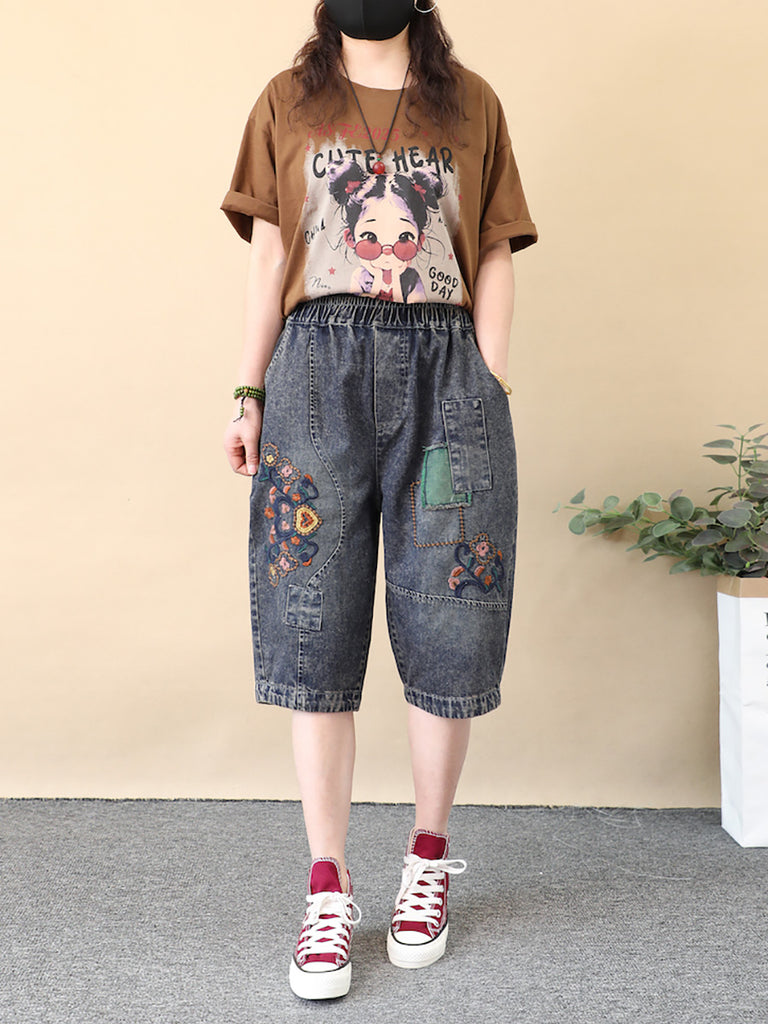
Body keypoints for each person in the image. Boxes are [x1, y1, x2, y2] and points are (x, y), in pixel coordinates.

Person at [220, 0, 537, 1001]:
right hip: (314, 375)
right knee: (311, 617)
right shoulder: (286, 101)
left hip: (448, 378)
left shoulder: (472, 103)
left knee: (450, 614)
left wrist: (488, 379)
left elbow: (494, 249)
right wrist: (248, 393)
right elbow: (270, 255)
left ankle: (427, 860)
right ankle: (328, 882)